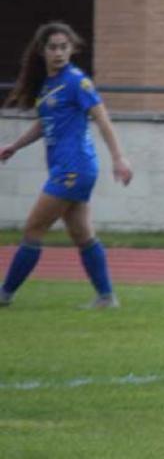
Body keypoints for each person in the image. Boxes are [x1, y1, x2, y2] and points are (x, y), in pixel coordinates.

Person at [0, 22, 133, 308]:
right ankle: (106, 297)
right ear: (42, 51)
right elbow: (44, 125)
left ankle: (5, 294)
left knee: (33, 228)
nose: (59, 53)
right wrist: (14, 147)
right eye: (53, 47)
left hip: (74, 168)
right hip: (69, 168)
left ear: (72, 49)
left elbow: (102, 117)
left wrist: (119, 157)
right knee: (82, 235)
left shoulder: (76, 81)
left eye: (64, 47)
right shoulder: (48, 85)